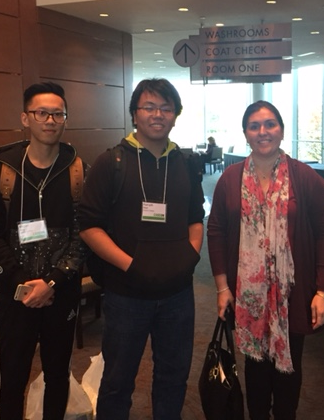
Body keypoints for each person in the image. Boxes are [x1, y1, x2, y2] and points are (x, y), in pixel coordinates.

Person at [77, 78, 205, 419]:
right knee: (117, 380)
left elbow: (196, 218)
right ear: (135, 114)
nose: (157, 114)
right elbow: (88, 226)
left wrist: (191, 256)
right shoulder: (111, 163)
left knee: (174, 377)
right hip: (126, 294)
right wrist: (130, 265)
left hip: (178, 295)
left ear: (175, 115)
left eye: (166, 108)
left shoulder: (185, 163)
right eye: (149, 107)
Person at [207, 100, 324, 420]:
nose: (262, 132)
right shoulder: (230, 179)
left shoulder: (306, 178)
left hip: (291, 293)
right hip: (247, 295)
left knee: (289, 368)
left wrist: (322, 292)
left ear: (281, 130)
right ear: (245, 133)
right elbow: (216, 232)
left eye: (270, 124)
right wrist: (222, 288)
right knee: (255, 367)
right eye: (254, 126)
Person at [0, 82, 87, 420]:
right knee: (12, 379)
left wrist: (51, 283)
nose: (50, 120)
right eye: (42, 113)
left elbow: (83, 236)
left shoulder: (77, 170)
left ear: (65, 119)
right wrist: (24, 283)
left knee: (58, 374)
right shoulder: (1, 170)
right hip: (15, 295)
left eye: (58, 114)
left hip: (61, 293)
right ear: (25, 118)